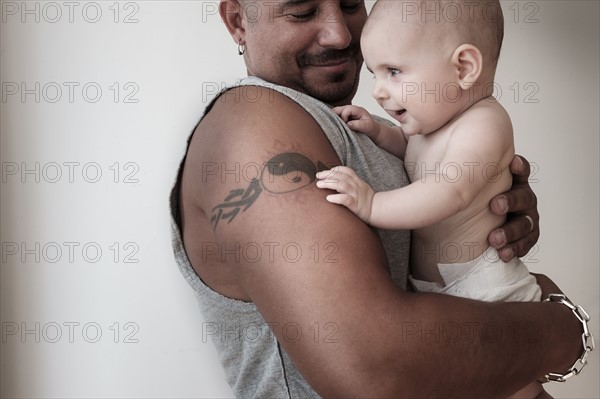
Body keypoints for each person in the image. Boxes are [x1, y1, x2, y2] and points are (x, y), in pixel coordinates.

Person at [170, 0, 589, 397]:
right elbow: (376, 369)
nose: (339, 33)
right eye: (302, 11)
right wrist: (562, 329)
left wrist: (482, 216)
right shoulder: (252, 120)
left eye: (351, 4)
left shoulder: (354, 126)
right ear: (238, 21)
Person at [315, 1, 545, 397]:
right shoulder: (432, 124)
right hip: (437, 291)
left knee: (514, 389)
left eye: (394, 71)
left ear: (463, 69)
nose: (379, 91)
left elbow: (448, 191)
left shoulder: (485, 125)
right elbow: (411, 149)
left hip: (485, 288)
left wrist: (371, 205)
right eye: (375, 74)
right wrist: (378, 131)